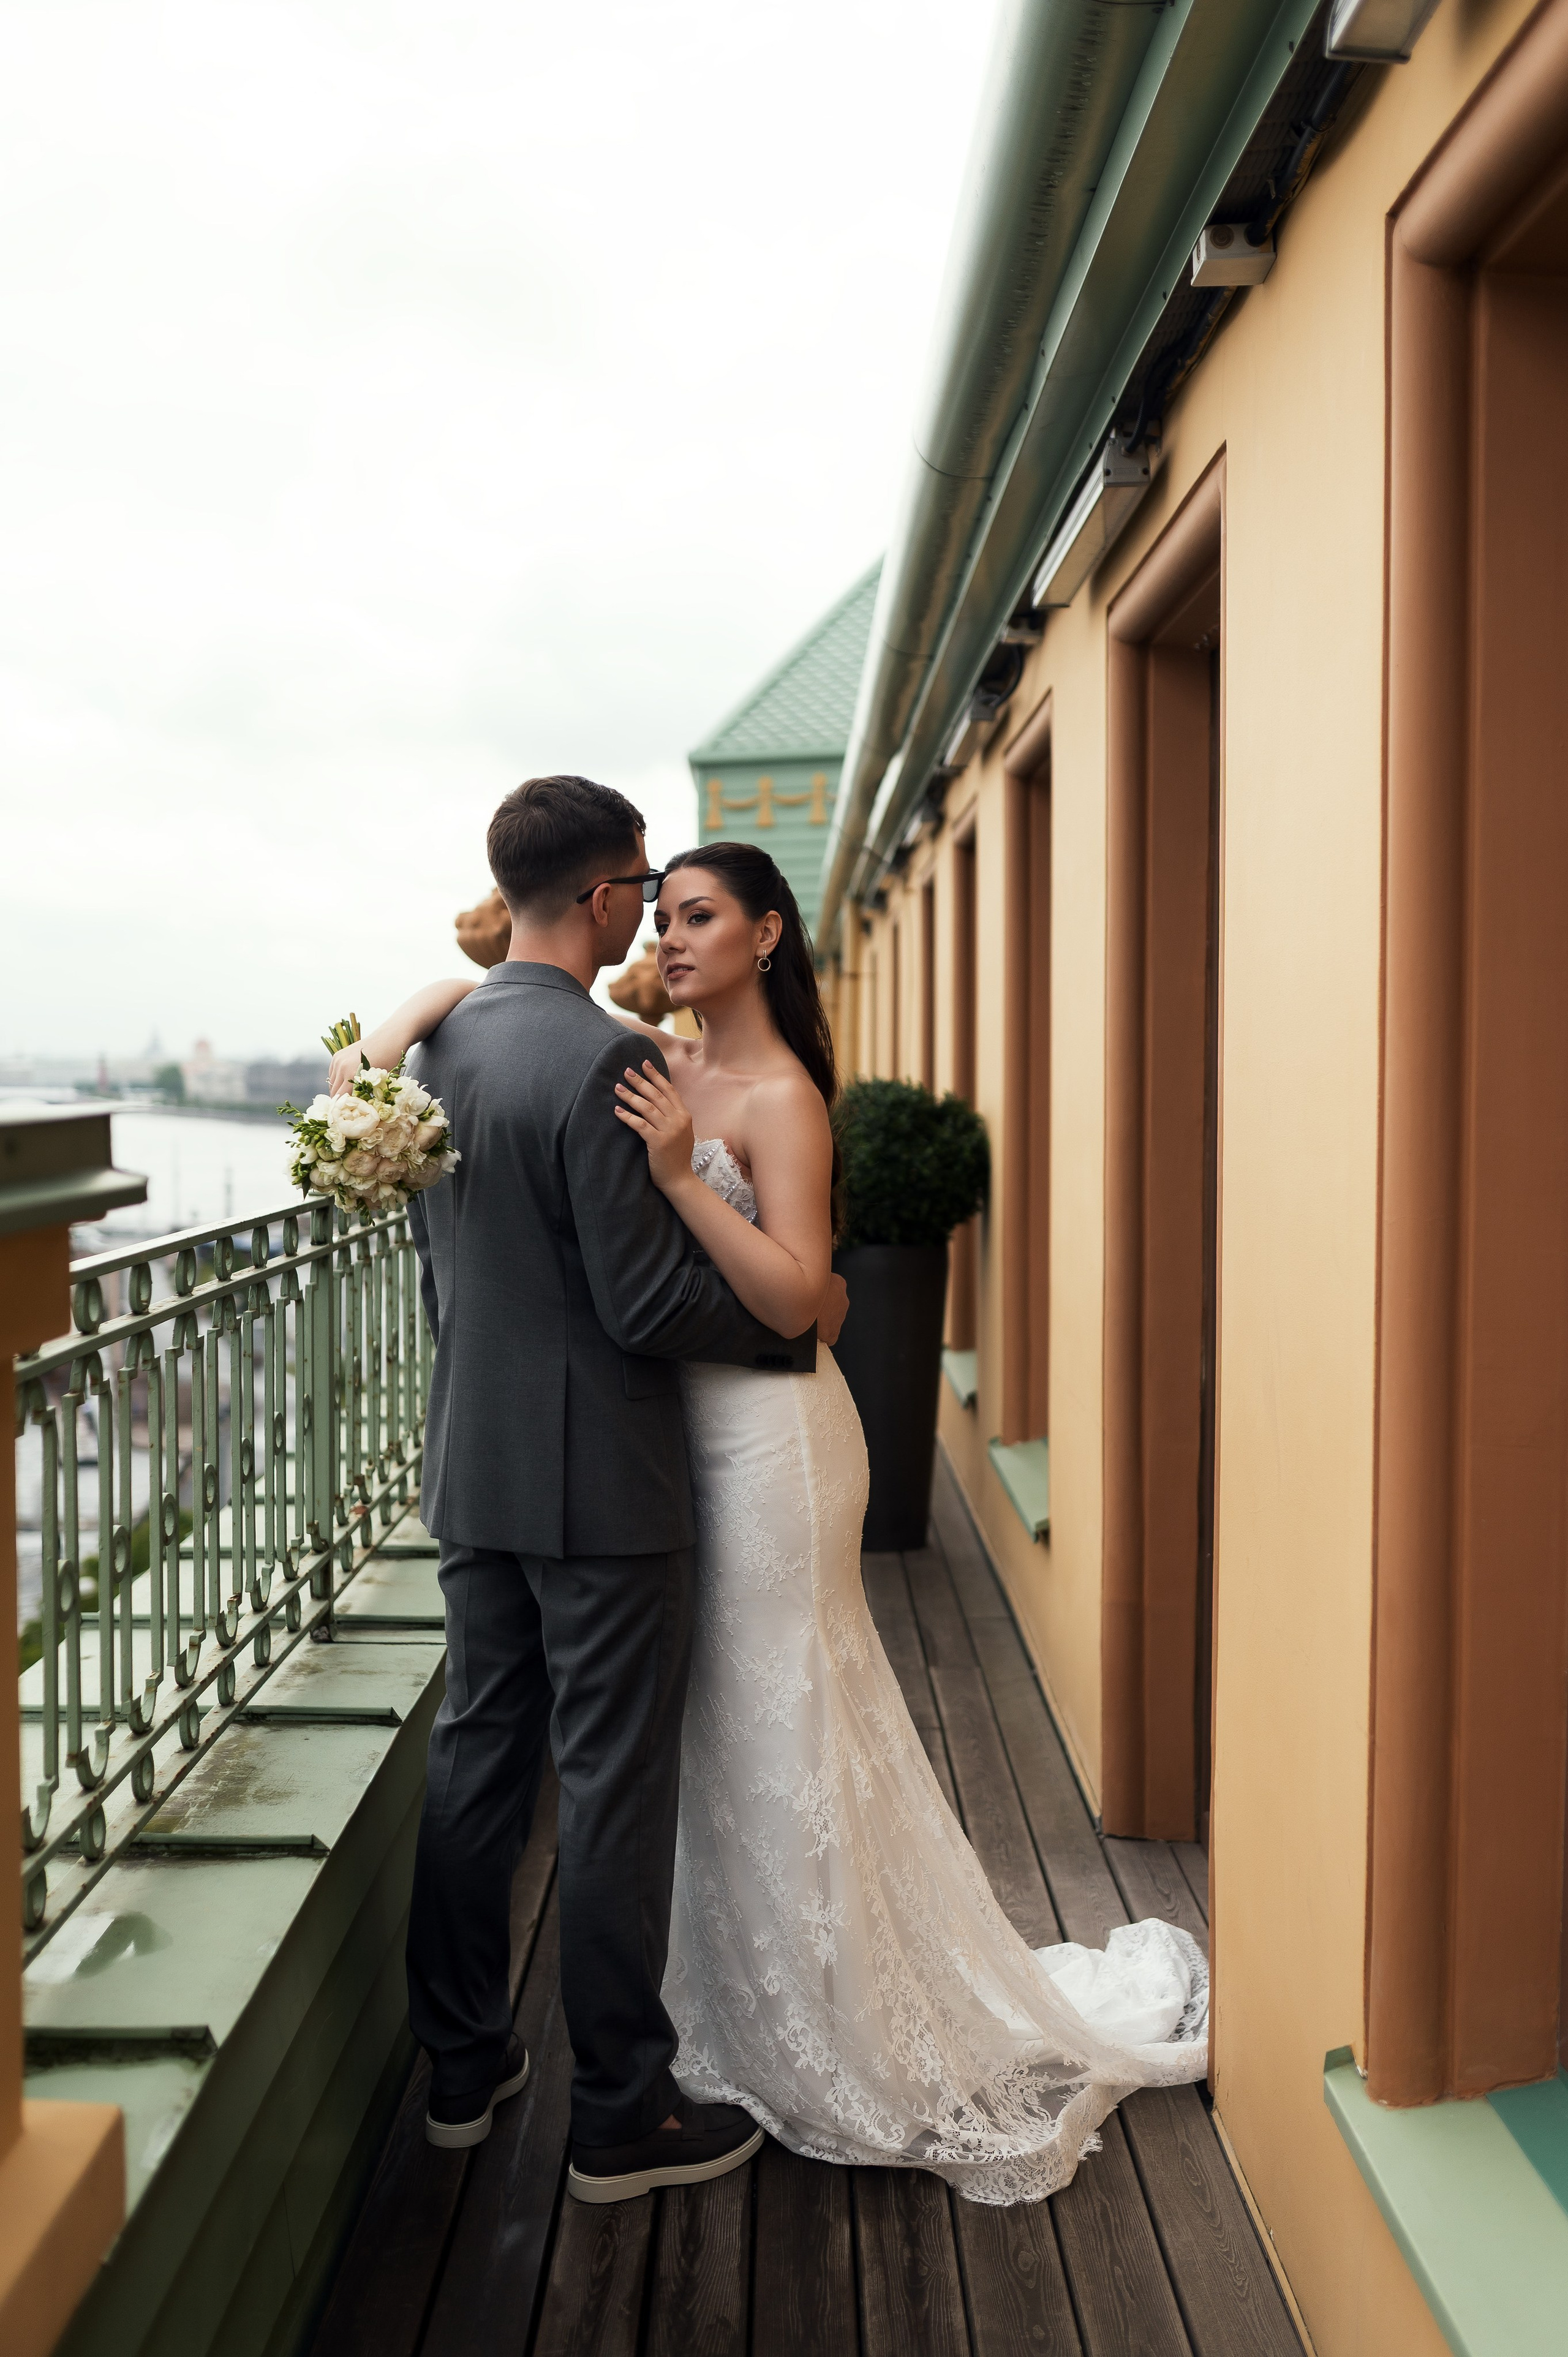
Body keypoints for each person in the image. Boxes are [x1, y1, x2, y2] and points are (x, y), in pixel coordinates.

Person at [345, 834, 1208, 2209]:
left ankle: (829, 2012)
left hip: (765, 1445)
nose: (675, 939)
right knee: (698, 1735)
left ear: (767, 935)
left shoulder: (781, 1097)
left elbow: (804, 1299)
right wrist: (409, 1008)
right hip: (653, 1443)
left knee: (777, 1709)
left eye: (702, 917)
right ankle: (727, 2013)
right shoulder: (626, 1051)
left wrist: (688, 1181)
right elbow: (494, 989)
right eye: (663, 913)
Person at [388, 776, 846, 2207]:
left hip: (474, 1461)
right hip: (604, 1486)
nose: (648, 913)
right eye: (643, 889)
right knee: (607, 1785)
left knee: (477, 1758)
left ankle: (461, 2070)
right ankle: (616, 2112)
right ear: (597, 899)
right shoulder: (600, 1063)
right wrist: (793, 1315)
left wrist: (398, 1016)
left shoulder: (440, 1050)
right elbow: (645, 1306)